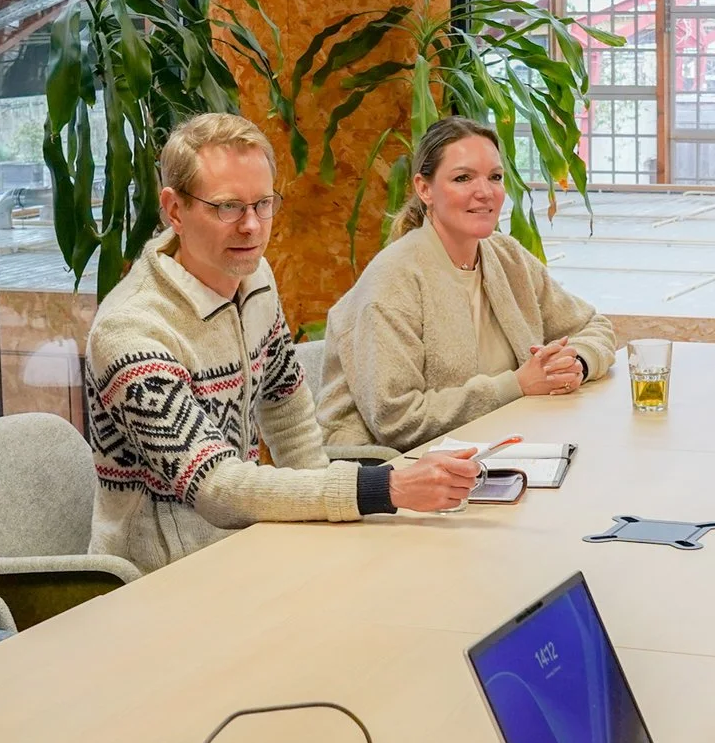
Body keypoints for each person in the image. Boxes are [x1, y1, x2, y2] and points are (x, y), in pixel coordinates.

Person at [85, 112, 479, 574]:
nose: (252, 226)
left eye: (263, 204)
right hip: (159, 577)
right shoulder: (131, 332)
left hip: (247, 545)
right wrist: (383, 488)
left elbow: (287, 409)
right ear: (174, 210)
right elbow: (216, 486)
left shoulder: (254, 278)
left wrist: (331, 525)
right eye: (228, 207)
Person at [315, 116, 616, 451]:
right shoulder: (392, 280)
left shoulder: (507, 257)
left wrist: (576, 363)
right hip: (396, 466)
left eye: (495, 177)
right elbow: (398, 420)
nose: (485, 192)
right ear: (424, 189)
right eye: (463, 178)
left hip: (504, 446)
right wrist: (517, 385)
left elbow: (594, 326)